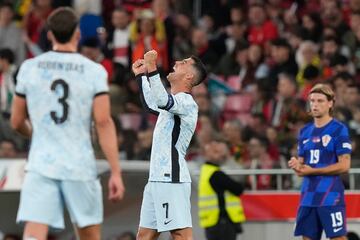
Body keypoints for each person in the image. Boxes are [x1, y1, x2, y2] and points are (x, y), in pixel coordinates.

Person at [10, 8, 125, 240]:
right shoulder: (94, 71)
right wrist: (115, 171)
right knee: (89, 235)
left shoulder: (30, 68)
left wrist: (35, 133)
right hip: (79, 163)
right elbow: (103, 122)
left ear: (50, 34)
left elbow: (16, 121)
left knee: (33, 235)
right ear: (77, 34)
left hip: (41, 163)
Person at [131, 50, 207, 240]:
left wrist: (151, 67)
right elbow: (152, 103)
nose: (176, 62)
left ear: (189, 76)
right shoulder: (172, 103)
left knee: (180, 234)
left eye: (184, 62)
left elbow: (161, 100)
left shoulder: (187, 103)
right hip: (156, 177)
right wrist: (141, 75)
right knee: (144, 235)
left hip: (171, 177)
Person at [288, 83, 352, 240]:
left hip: (330, 195)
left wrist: (313, 171)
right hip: (308, 196)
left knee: (337, 238)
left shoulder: (338, 129)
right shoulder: (304, 131)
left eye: (320, 101)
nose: (315, 105)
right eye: (312, 101)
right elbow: (302, 166)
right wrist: (297, 165)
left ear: (330, 103)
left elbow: (345, 165)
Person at [198, 140, 245, 240]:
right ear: (207, 154)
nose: (220, 155)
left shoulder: (206, 171)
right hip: (221, 223)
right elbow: (238, 189)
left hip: (212, 223)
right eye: (216, 152)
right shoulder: (215, 175)